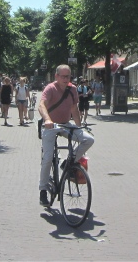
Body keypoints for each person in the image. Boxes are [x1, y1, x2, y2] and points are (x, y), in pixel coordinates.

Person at [37, 65, 94, 205]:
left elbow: (74, 108)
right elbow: (41, 105)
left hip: (65, 125)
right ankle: (43, 190)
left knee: (88, 139)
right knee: (48, 158)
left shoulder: (73, 89)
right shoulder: (50, 88)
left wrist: (79, 127)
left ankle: (68, 162)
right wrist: (47, 119)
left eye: (68, 76)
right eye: (62, 76)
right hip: (50, 126)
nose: (65, 79)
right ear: (56, 76)